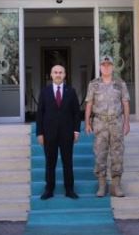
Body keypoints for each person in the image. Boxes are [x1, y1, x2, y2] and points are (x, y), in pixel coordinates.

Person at [84, 55, 131, 197]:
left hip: (116, 122)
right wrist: (87, 122)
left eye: (109, 65)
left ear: (112, 67)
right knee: (100, 154)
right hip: (100, 122)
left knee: (117, 154)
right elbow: (89, 104)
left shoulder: (120, 83)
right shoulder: (93, 84)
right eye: (103, 65)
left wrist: (127, 122)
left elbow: (125, 103)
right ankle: (102, 185)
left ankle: (116, 186)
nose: (106, 67)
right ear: (100, 67)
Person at [36, 64, 81, 200]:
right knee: (50, 162)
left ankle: (69, 189)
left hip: (67, 133)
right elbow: (40, 114)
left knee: (68, 162)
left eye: (60, 72)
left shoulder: (71, 91)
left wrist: (76, 131)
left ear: (65, 75)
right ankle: (49, 189)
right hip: (49, 134)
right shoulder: (44, 92)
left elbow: (76, 113)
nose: (58, 74)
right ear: (51, 75)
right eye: (55, 72)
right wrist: (39, 133)